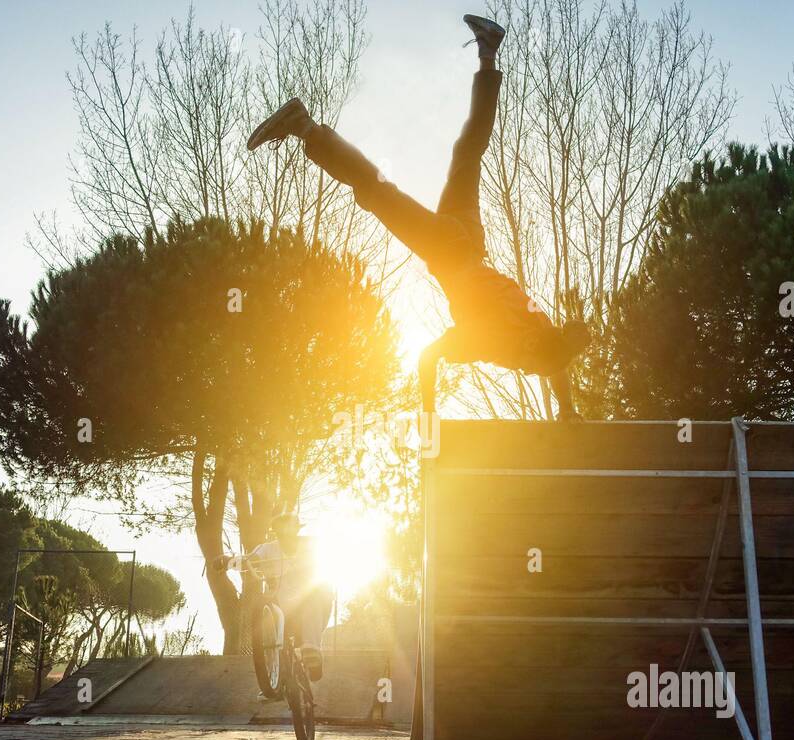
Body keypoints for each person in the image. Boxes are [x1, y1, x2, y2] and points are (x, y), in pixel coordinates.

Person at [246, 14, 591, 419]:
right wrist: (429, 417)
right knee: (376, 190)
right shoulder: (490, 341)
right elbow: (428, 357)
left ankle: (488, 52)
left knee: (468, 151)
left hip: (469, 238)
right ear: (532, 352)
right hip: (447, 250)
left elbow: (557, 363)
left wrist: (568, 408)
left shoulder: (542, 327)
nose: (534, 367)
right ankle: (302, 124)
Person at [213, 511, 331, 681]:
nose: (286, 539)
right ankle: (271, 678)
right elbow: (250, 559)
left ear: (297, 531)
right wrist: (229, 561)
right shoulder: (268, 548)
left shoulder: (310, 544)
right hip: (281, 607)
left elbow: (328, 551)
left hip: (310, 605)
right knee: (266, 607)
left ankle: (312, 653)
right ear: (276, 533)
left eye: (290, 533)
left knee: (316, 593)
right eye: (281, 534)